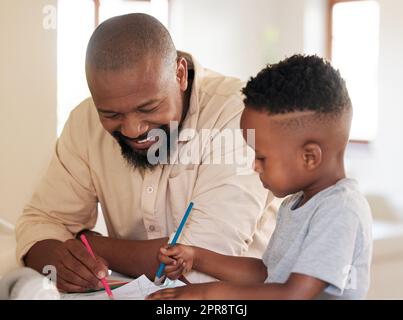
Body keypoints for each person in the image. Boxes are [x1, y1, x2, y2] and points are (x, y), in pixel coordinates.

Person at [15, 13, 273, 293]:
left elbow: (202, 262)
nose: (132, 129)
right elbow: (40, 224)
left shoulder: (240, 114)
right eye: (111, 114)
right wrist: (59, 259)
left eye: (148, 108)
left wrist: (88, 243)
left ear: (180, 74)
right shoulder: (85, 121)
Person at [148, 55, 373, 300]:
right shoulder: (295, 203)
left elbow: (294, 295)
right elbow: (267, 273)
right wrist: (197, 257)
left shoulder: (340, 210)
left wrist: (207, 294)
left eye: (261, 157)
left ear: (309, 157)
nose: (254, 166)